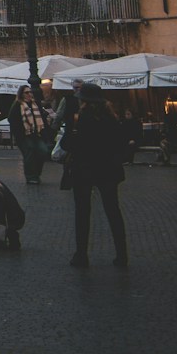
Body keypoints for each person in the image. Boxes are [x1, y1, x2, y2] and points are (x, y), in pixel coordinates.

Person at [64, 83, 129, 267]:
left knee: (82, 212)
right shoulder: (112, 118)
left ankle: (81, 254)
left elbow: (68, 144)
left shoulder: (81, 119)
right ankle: (122, 254)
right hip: (108, 169)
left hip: (84, 169)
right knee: (113, 211)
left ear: (83, 100)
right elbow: (121, 142)